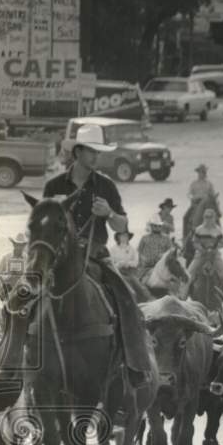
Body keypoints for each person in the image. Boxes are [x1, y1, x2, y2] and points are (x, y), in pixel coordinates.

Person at [41, 123, 150, 386]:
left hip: (96, 256)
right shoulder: (54, 185)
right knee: (26, 298)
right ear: (77, 152)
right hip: (59, 258)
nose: (96, 157)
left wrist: (109, 214)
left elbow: (122, 225)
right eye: (91, 151)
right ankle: (21, 360)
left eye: (98, 152)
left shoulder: (105, 185)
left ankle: (134, 366)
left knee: (128, 299)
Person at [189, 206, 223, 304]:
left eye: (210, 217)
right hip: (201, 255)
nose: (208, 219)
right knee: (190, 271)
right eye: (206, 217)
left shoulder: (218, 230)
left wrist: (214, 248)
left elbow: (222, 243)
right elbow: (195, 242)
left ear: (214, 218)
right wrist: (201, 248)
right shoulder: (199, 229)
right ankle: (182, 294)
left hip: (214, 255)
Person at [137, 214, 175, 286]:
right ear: (151, 226)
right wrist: (142, 258)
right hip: (147, 266)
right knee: (141, 283)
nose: (157, 227)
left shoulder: (166, 238)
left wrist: (163, 255)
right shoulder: (144, 238)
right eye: (155, 225)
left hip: (162, 266)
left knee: (173, 282)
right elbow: (139, 251)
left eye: (159, 226)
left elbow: (171, 252)